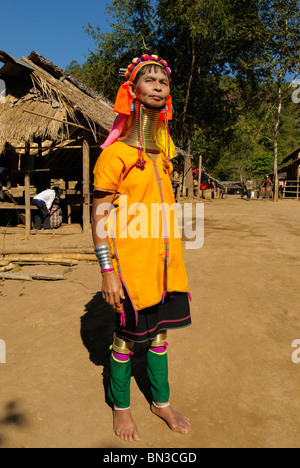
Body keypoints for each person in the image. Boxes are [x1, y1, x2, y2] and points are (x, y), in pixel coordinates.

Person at [91, 54, 192, 442]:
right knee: (124, 340)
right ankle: (121, 408)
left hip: (165, 267)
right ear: (131, 91)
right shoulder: (115, 155)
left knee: (161, 335)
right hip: (129, 269)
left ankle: (161, 402)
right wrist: (107, 270)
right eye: (148, 80)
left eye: (163, 82)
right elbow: (100, 213)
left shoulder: (164, 154)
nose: (157, 85)